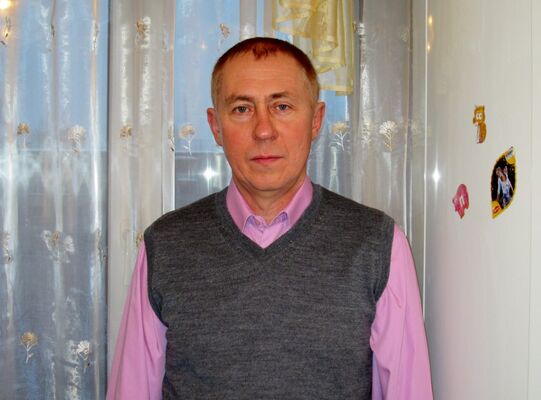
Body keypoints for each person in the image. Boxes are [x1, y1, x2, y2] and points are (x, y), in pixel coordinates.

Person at [107, 37, 433, 400]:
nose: (264, 130)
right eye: (242, 109)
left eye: (282, 106)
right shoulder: (165, 246)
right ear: (216, 127)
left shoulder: (377, 245)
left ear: (316, 120)